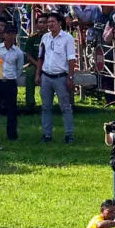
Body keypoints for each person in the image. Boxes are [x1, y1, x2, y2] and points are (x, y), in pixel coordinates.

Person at [37, 12, 77, 144]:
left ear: (60, 23)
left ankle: (69, 135)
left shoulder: (68, 38)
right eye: (48, 22)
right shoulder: (45, 37)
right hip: (46, 76)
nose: (50, 24)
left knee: (65, 107)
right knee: (46, 107)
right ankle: (46, 135)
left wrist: (70, 77)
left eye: (52, 21)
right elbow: (41, 57)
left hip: (61, 77)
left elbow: (71, 59)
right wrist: (38, 74)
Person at [0, 21, 24, 142]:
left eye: (13, 33)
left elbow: (19, 68)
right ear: (4, 35)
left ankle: (12, 134)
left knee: (12, 109)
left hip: (10, 82)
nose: (10, 36)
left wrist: (12, 77)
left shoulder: (18, 52)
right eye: (8, 33)